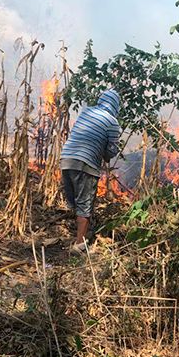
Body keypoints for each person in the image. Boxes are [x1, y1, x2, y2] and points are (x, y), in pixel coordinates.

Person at [60, 89, 121, 251]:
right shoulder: (113, 123)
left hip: (66, 159)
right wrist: (107, 154)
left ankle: (80, 230)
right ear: (116, 106)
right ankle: (79, 244)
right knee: (85, 204)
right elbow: (111, 151)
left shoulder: (87, 111)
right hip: (86, 165)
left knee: (75, 201)